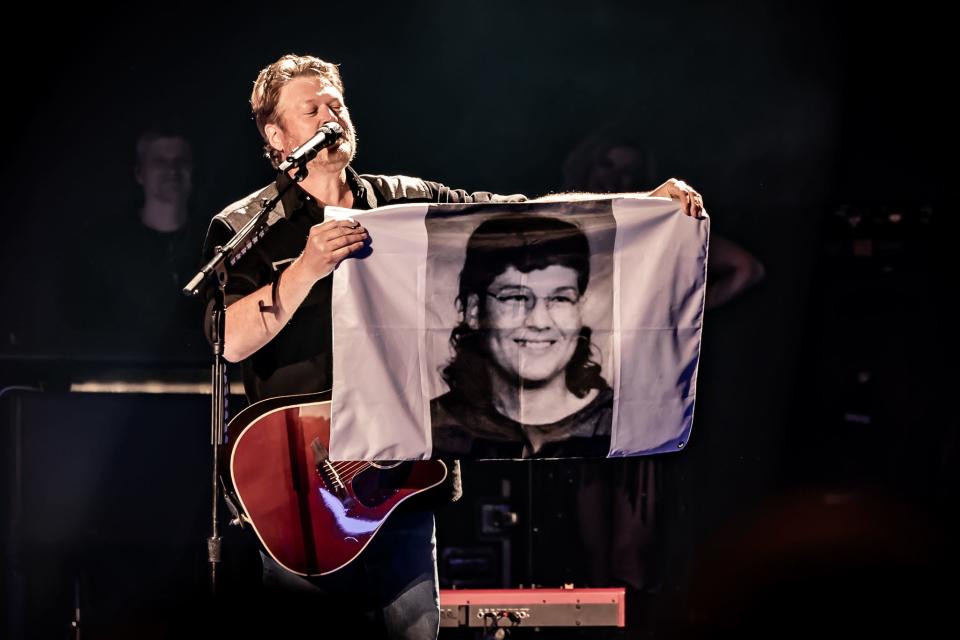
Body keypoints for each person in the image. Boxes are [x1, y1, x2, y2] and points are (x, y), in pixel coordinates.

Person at [201, 53, 705, 639]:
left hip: (399, 480)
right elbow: (229, 342)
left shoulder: (404, 201)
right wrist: (307, 266)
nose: (328, 117)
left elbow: (514, 221)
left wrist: (641, 206)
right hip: (304, 488)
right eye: (310, 109)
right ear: (275, 133)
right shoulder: (242, 226)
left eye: (335, 103)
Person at [430, 213, 613, 459]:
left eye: (560, 298)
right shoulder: (432, 426)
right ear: (473, 310)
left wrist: (652, 207)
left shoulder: (621, 423)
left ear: (580, 309)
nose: (539, 322)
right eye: (515, 297)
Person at [67, 119, 207, 360]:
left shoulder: (214, 242)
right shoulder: (104, 249)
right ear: (139, 173)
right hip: (120, 381)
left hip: (199, 381)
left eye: (180, 162)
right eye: (160, 162)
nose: (172, 170)